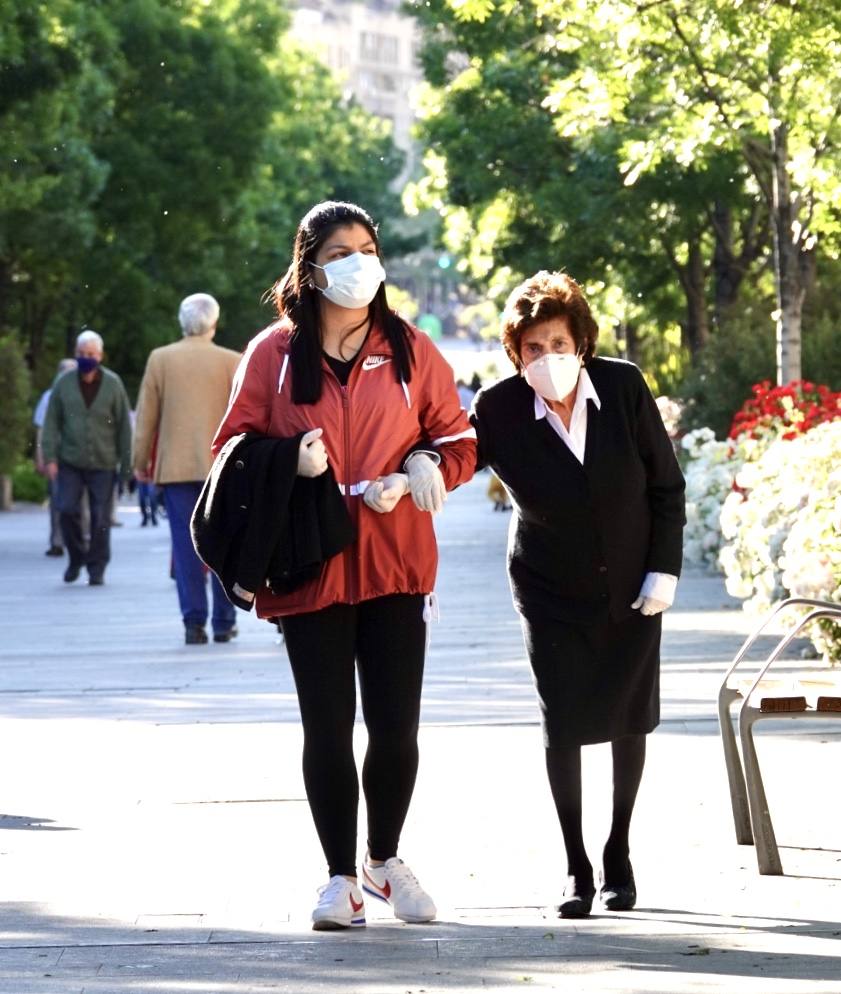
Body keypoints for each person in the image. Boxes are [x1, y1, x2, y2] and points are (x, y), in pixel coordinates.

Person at [212, 201, 476, 930]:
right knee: (326, 727)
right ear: (309, 267)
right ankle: (338, 881)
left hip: (397, 563)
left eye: (366, 248)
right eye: (338, 252)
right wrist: (284, 461)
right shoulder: (271, 354)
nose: (357, 263)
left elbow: (459, 439)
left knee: (395, 728)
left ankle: (383, 861)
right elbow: (227, 453)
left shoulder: (413, 349)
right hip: (310, 566)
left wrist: (425, 463)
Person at [469, 271, 685, 919]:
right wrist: (415, 468)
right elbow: (455, 456)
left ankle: (617, 851)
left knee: (627, 711)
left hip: (632, 582)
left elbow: (664, 486)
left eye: (556, 343)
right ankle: (575, 864)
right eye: (531, 348)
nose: (545, 358)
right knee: (561, 717)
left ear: (581, 342)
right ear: (516, 353)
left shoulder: (620, 386)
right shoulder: (500, 406)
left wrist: (663, 570)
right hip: (547, 586)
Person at [133, 293, 240, 645]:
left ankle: (193, 622)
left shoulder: (160, 359)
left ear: (182, 322)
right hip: (223, 467)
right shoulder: (233, 361)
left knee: (185, 545)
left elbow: (146, 417)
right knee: (224, 542)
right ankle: (224, 622)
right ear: (214, 322)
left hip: (175, 467)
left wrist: (139, 463)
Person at [41, 331, 132, 586]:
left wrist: (126, 465)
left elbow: (125, 426)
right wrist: (49, 456)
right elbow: (51, 422)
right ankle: (76, 557)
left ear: (100, 356)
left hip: (104, 462)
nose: (86, 358)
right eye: (81, 354)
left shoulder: (113, 384)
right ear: (75, 355)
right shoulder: (63, 383)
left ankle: (97, 567)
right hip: (70, 460)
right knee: (67, 509)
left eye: (91, 354)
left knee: (101, 517)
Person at [33, 357, 77, 556]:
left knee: (79, 503)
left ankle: (80, 540)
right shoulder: (49, 397)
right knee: (58, 500)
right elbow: (41, 430)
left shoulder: (83, 395)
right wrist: (41, 455)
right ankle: (57, 541)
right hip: (56, 456)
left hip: (79, 457)